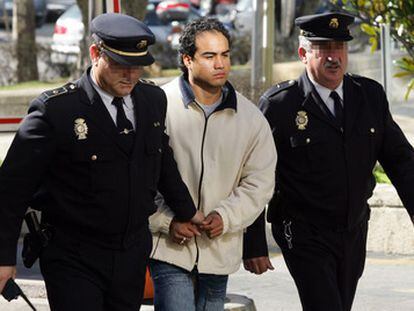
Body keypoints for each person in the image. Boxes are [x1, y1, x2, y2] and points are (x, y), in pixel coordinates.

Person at [0, 13, 203, 311]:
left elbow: (161, 160)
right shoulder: (56, 111)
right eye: (120, 65)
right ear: (95, 54)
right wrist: (3, 258)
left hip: (131, 253)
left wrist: (186, 211)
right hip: (74, 255)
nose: (130, 75)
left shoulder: (151, 100)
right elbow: (11, 190)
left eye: (137, 66)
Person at [249, 11, 414, 311]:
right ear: (303, 53)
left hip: (353, 230)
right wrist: (253, 243)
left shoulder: (369, 96)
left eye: (339, 47)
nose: (333, 56)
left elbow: (402, 161)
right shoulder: (280, 106)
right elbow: (253, 175)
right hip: (302, 232)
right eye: (323, 48)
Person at [148, 17, 277, 311]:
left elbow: (259, 182)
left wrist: (225, 217)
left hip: (220, 250)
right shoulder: (157, 104)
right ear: (187, 60)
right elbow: (141, 175)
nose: (220, 64)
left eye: (225, 55)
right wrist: (167, 222)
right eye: (209, 56)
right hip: (168, 248)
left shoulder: (251, 118)